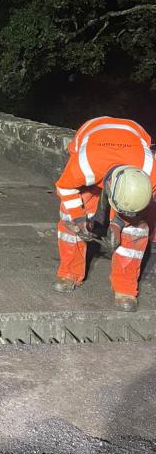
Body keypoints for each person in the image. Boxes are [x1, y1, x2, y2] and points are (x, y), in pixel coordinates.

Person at [54, 117, 156, 311]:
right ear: (108, 187)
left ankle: (125, 288)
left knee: (137, 230)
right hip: (91, 134)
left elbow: (136, 208)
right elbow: (65, 187)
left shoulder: (151, 172)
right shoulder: (84, 165)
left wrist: (118, 223)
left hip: (135, 135)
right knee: (69, 216)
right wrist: (79, 218)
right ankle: (69, 273)